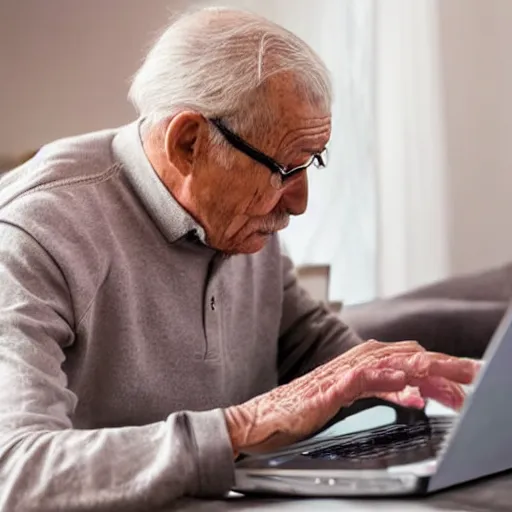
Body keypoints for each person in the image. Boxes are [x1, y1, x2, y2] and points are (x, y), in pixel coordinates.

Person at [0, 7, 478, 512]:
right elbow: (15, 469)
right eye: (284, 169)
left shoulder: (238, 214)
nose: (300, 202)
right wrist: (242, 426)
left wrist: (417, 392)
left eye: (310, 162)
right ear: (188, 143)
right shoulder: (33, 236)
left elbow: (308, 344)